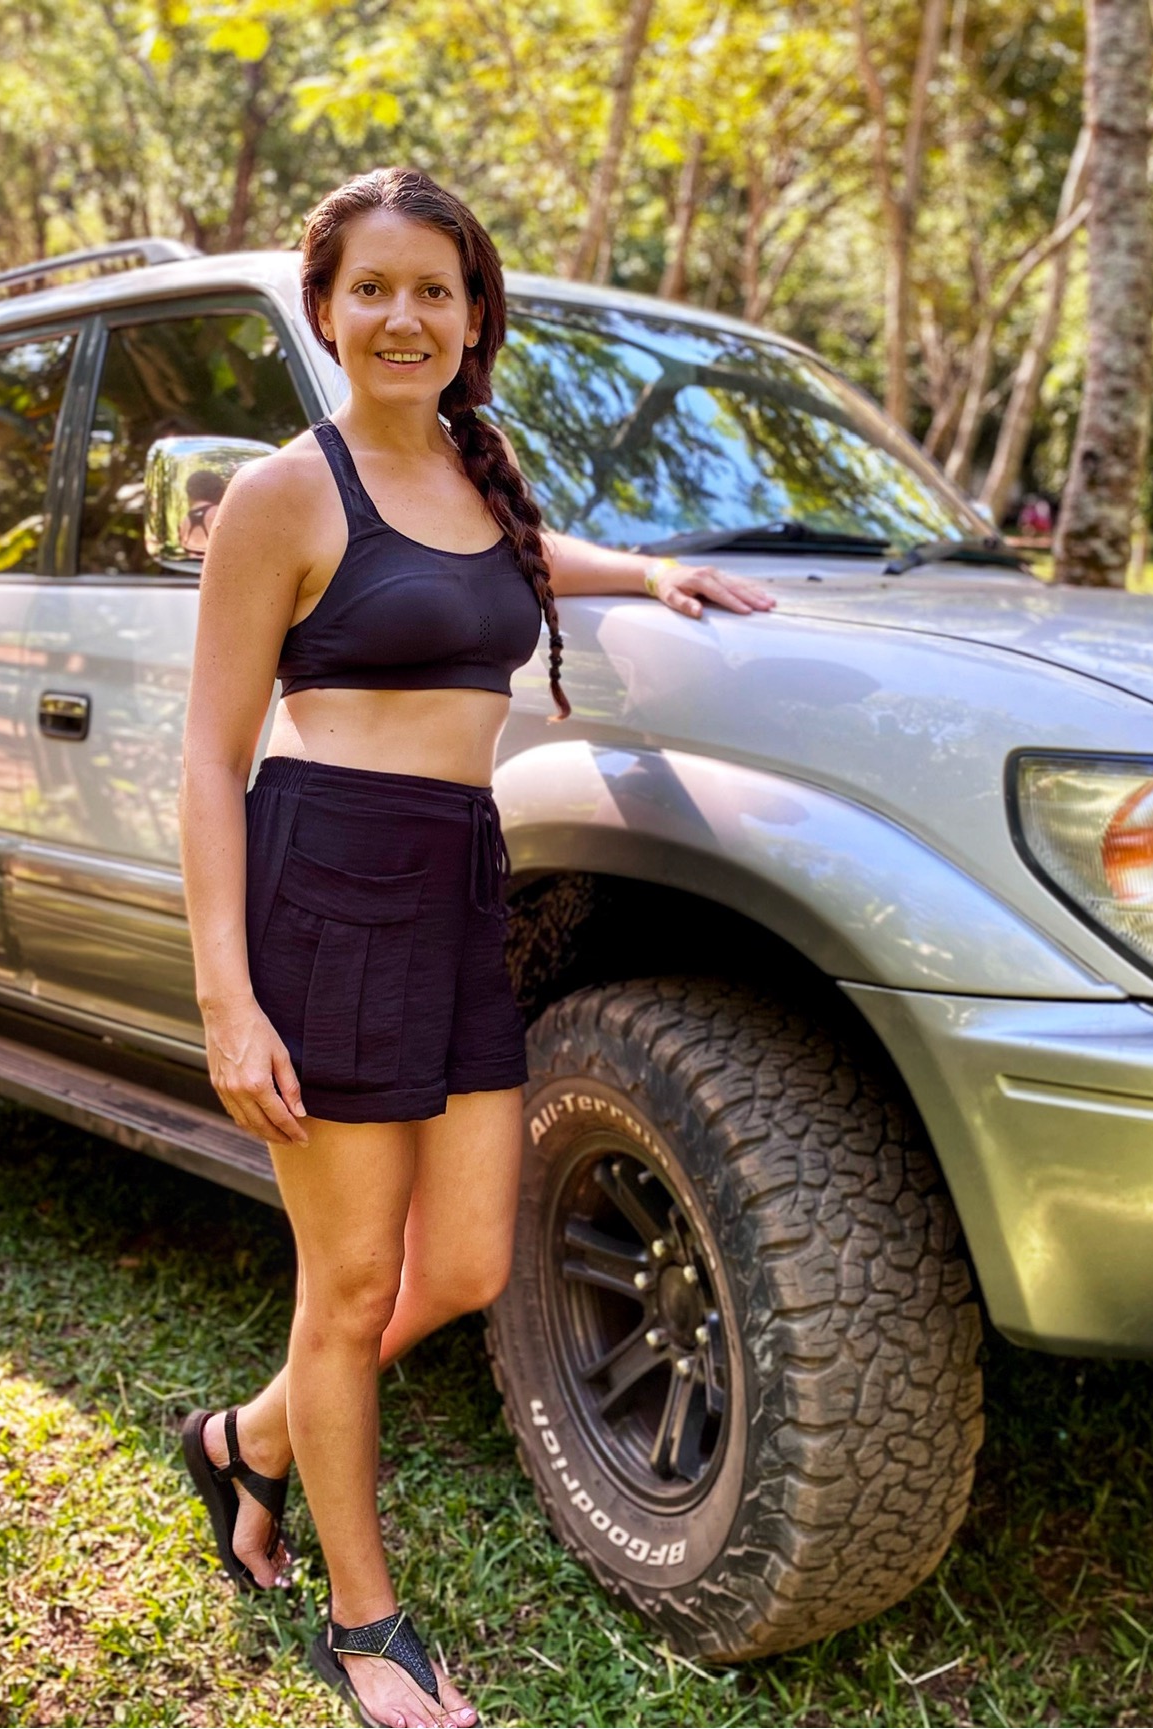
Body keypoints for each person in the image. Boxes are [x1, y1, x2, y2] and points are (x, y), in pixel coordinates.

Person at [174, 166, 776, 1729]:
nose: (401, 315)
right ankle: (368, 1629)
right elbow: (206, 757)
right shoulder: (283, 497)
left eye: (432, 289)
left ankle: (243, 1439)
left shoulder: (474, 465)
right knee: (351, 1276)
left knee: (463, 1263)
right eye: (371, 286)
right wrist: (229, 998)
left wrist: (641, 571)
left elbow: (513, 556)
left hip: (456, 882)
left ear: (473, 314)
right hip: (327, 883)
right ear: (325, 308)